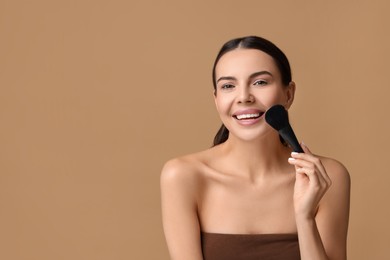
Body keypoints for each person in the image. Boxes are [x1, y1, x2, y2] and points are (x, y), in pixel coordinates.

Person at [160, 36, 350, 260]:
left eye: (260, 82)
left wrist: (304, 216)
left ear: (288, 94)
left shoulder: (327, 176)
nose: (243, 97)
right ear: (216, 99)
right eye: (228, 86)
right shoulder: (183, 175)